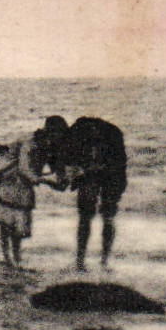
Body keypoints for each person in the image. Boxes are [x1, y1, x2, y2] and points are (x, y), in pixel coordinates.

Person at [42, 115, 128, 271]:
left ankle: (103, 261)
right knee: (86, 214)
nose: (51, 138)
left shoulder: (81, 135)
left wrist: (84, 170)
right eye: (49, 135)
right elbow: (62, 181)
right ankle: (82, 262)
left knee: (106, 215)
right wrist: (45, 180)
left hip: (113, 169)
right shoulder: (57, 146)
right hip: (92, 170)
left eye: (53, 134)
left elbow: (111, 161)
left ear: (62, 131)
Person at [0, 125, 53, 269]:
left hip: (23, 187)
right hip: (8, 182)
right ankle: (8, 258)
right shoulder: (28, 145)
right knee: (6, 222)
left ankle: (16, 256)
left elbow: (53, 167)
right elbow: (24, 169)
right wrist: (43, 179)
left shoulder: (48, 147)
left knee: (19, 224)